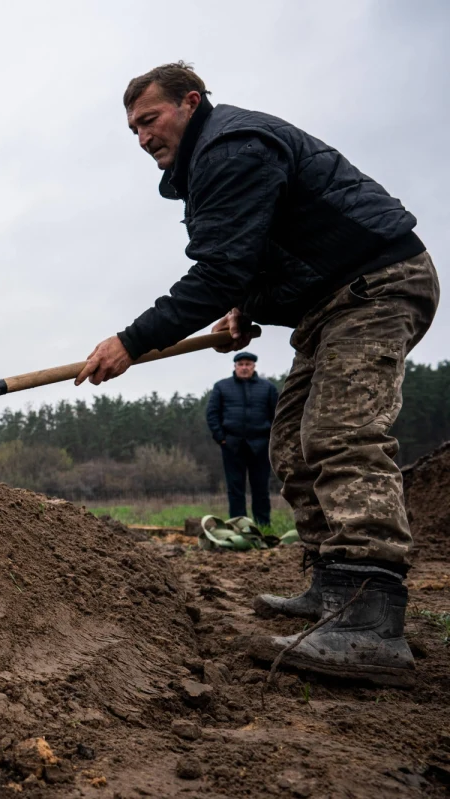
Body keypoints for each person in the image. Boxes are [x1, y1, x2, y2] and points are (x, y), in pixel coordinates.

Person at [73, 62, 438, 686]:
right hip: (329, 302)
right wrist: (249, 308)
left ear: (191, 103)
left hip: (376, 286)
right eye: (132, 129)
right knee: (292, 444)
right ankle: (333, 591)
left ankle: (371, 621)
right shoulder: (209, 164)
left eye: (150, 120)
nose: (142, 138)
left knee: (340, 435)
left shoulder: (231, 149)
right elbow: (256, 260)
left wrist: (132, 341)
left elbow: (218, 271)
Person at [205, 351, 278, 526]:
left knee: (261, 488)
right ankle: (239, 526)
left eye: (248, 364)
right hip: (232, 445)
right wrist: (221, 437)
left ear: (254, 367)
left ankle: (263, 527)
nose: (244, 367)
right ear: (235, 366)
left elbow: (277, 414)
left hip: (260, 445)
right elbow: (212, 414)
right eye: (241, 364)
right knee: (235, 489)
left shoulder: (267, 388)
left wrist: (271, 439)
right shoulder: (222, 387)